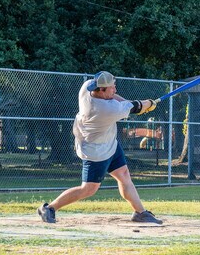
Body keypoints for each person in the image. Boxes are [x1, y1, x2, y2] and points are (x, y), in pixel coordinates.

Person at [38, 71, 162, 224]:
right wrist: (148, 104)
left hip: (109, 143)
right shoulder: (107, 110)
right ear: (101, 90)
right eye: (112, 87)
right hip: (96, 151)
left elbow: (126, 103)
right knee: (89, 189)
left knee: (123, 175)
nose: (115, 90)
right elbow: (136, 107)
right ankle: (49, 208)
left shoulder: (87, 88)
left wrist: (136, 105)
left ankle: (140, 212)